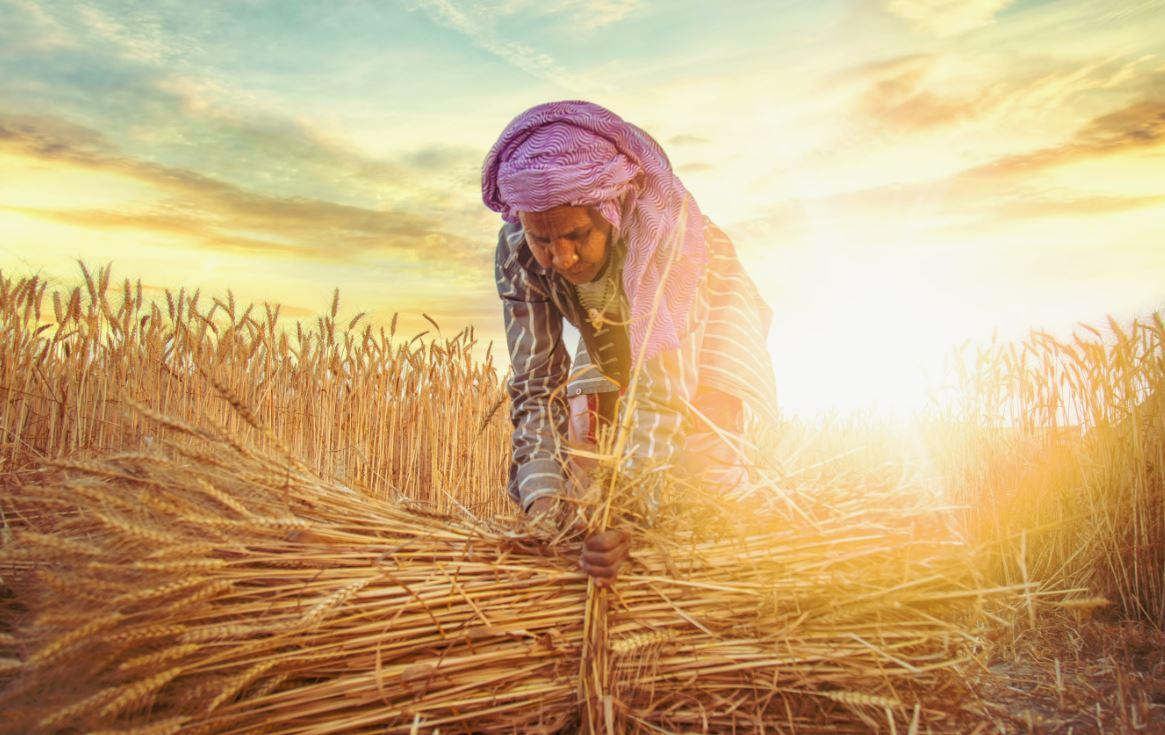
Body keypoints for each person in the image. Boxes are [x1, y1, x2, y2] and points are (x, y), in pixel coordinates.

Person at [482, 100, 779, 586]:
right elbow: (536, 387)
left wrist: (628, 518)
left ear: (611, 211)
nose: (561, 256)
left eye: (577, 234)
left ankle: (736, 577)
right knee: (586, 446)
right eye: (543, 239)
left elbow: (662, 392)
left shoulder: (666, 239)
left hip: (706, 305)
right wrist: (545, 510)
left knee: (703, 459)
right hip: (611, 321)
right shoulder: (517, 250)